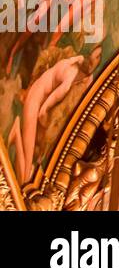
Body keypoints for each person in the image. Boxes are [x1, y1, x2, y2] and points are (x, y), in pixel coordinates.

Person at [5, 46, 100, 182]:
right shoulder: (70, 78)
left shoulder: (75, 61)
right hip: (34, 102)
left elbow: (87, 78)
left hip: (35, 96)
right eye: (94, 57)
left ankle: (16, 135)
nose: (93, 61)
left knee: (28, 166)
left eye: (97, 58)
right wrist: (44, 115)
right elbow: (50, 101)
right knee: (25, 175)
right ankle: (16, 132)